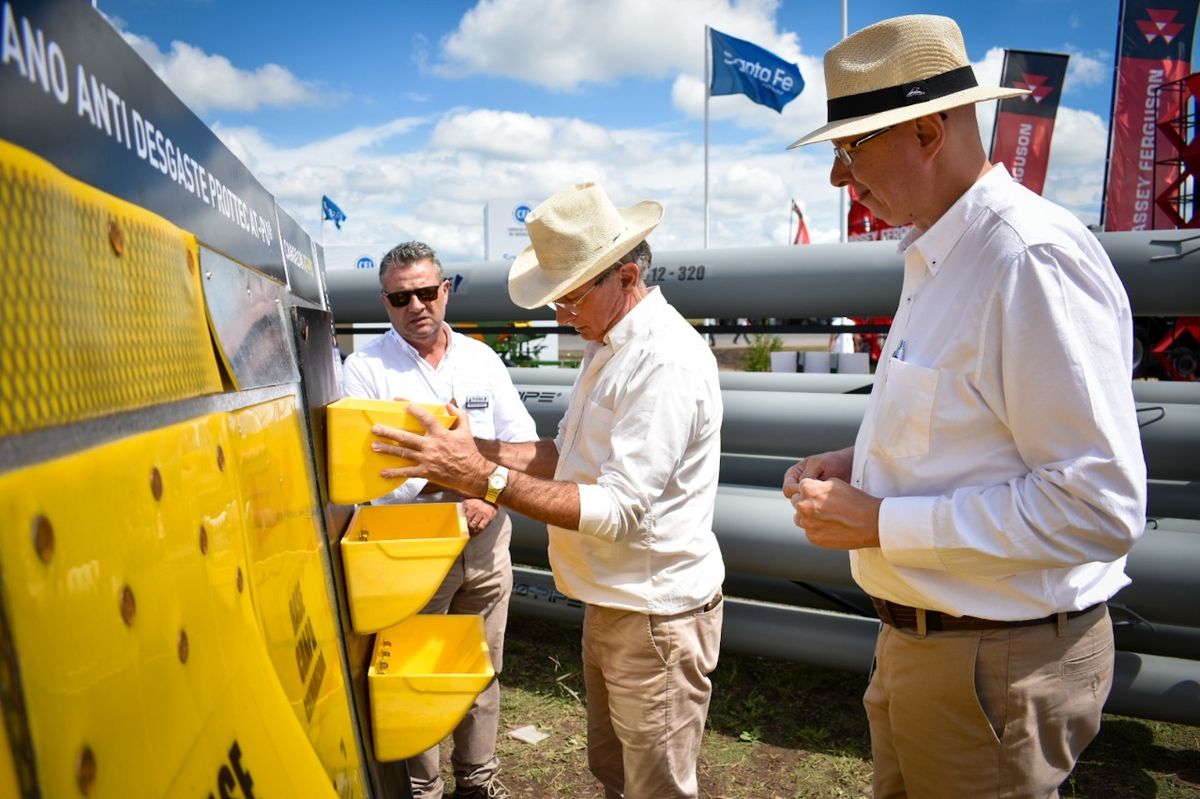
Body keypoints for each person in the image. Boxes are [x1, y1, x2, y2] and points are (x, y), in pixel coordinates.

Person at [782, 15, 1146, 798]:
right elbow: (976, 430)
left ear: (925, 130)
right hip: (944, 649)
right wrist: (862, 465)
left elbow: (1099, 504)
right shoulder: (945, 251)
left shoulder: (1026, 258)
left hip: (995, 663)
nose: (840, 179)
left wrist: (879, 521)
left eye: (852, 147)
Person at [369, 183, 725, 799]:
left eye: (568, 298)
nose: (561, 315)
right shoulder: (608, 344)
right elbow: (562, 459)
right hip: (617, 601)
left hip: (655, 614)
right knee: (617, 775)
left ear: (626, 276)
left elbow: (618, 509)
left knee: (657, 787)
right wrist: (468, 451)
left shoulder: (662, 360)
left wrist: (482, 477)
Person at [341, 241, 537, 799]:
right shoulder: (365, 370)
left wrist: (489, 495)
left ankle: (478, 780)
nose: (416, 305)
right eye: (401, 297)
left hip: (485, 538)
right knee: (415, 672)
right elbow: (372, 477)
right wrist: (468, 476)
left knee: (481, 666)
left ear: (445, 290)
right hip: (409, 552)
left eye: (427, 292)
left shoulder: (481, 360)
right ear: (385, 301)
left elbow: (519, 444)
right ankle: (421, 790)